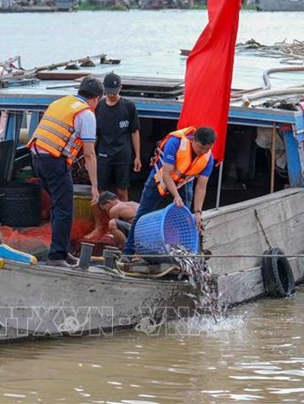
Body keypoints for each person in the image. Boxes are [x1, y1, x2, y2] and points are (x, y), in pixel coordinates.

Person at [28, 77, 103, 267]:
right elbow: (89, 153)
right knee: (64, 209)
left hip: (37, 157)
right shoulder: (86, 114)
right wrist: (94, 185)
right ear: (96, 99)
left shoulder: (59, 102)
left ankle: (62, 250)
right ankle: (56, 257)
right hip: (54, 160)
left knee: (58, 206)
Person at [122, 126, 216, 256]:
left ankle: (180, 254)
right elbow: (166, 174)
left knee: (184, 219)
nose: (203, 151)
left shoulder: (208, 159)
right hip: (159, 178)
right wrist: (176, 196)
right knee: (141, 214)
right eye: (201, 147)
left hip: (184, 182)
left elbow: (201, 186)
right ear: (193, 140)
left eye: (207, 149)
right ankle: (128, 252)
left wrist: (198, 212)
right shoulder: (175, 143)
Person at [95, 72, 141, 201]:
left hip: (122, 155)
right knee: (100, 191)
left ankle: (122, 219)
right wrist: (90, 157)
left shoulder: (129, 106)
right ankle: (98, 222)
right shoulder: (98, 106)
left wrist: (137, 156)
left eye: (114, 92)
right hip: (103, 155)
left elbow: (134, 132)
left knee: (122, 191)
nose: (112, 95)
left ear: (120, 88)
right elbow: (94, 135)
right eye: (109, 92)